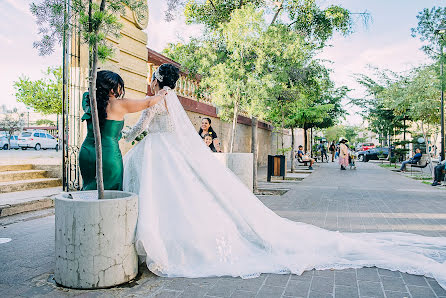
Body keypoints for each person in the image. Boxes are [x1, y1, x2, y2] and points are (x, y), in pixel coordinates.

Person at [122, 63, 446, 289]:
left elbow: (143, 125)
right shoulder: (175, 100)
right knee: (180, 198)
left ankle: (166, 243)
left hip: (156, 152)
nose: (150, 80)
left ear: (157, 78)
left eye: (152, 76)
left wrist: (122, 135)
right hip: (169, 154)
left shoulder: (157, 99)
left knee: (164, 199)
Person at [78, 70, 167, 190]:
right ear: (111, 88)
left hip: (86, 152)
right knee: (111, 192)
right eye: (119, 86)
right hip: (108, 154)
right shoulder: (120, 104)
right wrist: (161, 94)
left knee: (89, 189)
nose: (120, 90)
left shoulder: (88, 100)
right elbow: (148, 103)